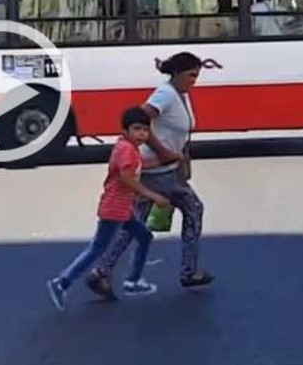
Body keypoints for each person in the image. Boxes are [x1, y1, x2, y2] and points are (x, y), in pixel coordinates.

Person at [85, 52, 216, 297]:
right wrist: (163, 151)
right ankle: (188, 272)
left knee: (140, 223)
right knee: (190, 210)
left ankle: (102, 272)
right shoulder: (166, 94)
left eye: (197, 75)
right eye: (190, 75)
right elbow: (141, 117)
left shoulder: (179, 94)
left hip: (168, 171)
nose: (194, 80)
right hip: (155, 172)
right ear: (176, 73)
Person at [47, 107, 167, 310]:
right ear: (125, 131)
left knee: (145, 236)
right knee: (97, 249)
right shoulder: (128, 150)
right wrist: (153, 195)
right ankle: (62, 283)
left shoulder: (127, 148)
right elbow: (126, 178)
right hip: (114, 209)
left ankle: (133, 281)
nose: (142, 134)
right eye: (137, 129)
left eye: (145, 130)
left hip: (123, 208)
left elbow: (135, 168)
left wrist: (162, 160)